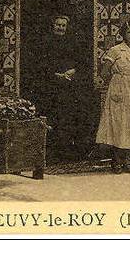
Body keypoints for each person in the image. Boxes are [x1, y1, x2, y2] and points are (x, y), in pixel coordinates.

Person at [34, 14, 92, 160]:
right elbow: (40, 64)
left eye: (63, 25)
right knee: (52, 117)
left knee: (67, 117)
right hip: (50, 86)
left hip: (69, 87)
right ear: (53, 26)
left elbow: (81, 62)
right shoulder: (45, 42)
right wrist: (56, 75)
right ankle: (51, 153)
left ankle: (66, 151)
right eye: (58, 25)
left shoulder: (72, 43)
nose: (60, 28)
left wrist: (73, 71)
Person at [96, 26, 130, 174]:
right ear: (123, 34)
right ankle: (116, 162)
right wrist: (107, 83)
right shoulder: (115, 50)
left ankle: (128, 162)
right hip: (119, 87)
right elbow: (105, 72)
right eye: (129, 32)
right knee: (118, 125)